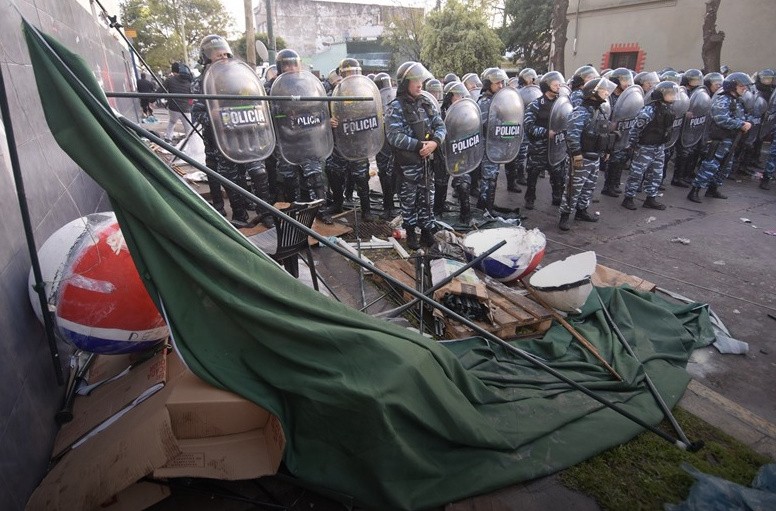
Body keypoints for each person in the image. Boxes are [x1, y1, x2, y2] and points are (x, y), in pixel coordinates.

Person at [193, 35, 273, 227]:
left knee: (258, 173)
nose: (222, 57)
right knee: (231, 178)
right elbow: (198, 114)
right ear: (207, 58)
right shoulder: (202, 82)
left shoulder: (240, 76)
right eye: (216, 54)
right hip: (221, 140)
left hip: (246, 134)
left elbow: (255, 101)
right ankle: (239, 215)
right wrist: (213, 117)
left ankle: (266, 213)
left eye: (225, 53)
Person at [386, 62, 446, 250]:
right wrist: (420, 145)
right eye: (414, 81)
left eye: (420, 80)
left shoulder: (426, 103)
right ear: (405, 84)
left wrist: (435, 142)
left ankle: (427, 233)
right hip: (407, 165)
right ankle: (410, 232)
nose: (419, 84)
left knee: (427, 199)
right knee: (409, 200)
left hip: (427, 164)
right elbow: (394, 137)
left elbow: (441, 126)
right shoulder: (396, 107)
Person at [558, 77, 617, 231]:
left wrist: (606, 150)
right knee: (573, 188)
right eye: (603, 90)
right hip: (581, 157)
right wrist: (576, 154)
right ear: (593, 93)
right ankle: (565, 215)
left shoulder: (601, 111)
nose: (606, 93)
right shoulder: (581, 112)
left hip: (594, 156)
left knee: (589, 187)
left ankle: (581, 211)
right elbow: (572, 135)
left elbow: (603, 132)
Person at [687, 72, 753, 203]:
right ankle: (694, 190)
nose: (744, 89)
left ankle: (712, 189)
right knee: (710, 166)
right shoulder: (723, 100)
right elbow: (721, 119)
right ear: (732, 86)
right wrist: (741, 124)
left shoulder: (737, 101)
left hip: (732, 140)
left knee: (725, 167)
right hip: (720, 140)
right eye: (741, 86)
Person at [325, 58, 375, 223]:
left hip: (357, 144)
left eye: (353, 73)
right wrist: (328, 121)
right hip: (338, 144)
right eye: (347, 73)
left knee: (361, 178)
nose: (350, 77)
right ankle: (338, 204)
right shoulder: (333, 94)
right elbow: (321, 115)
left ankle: (366, 210)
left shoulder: (365, 92)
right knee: (335, 176)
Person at [621, 81, 680, 211]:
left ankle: (650, 198)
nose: (673, 96)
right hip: (645, 147)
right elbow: (636, 129)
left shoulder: (668, 109)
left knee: (656, 174)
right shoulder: (648, 111)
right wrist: (632, 146)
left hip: (659, 147)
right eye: (670, 94)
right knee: (637, 173)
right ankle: (628, 198)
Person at [523, 71, 567, 210]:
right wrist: (545, 133)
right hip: (538, 148)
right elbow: (528, 126)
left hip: (556, 147)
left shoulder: (562, 103)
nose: (558, 86)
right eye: (555, 84)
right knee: (533, 175)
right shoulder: (536, 104)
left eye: (559, 84)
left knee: (557, 175)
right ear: (546, 86)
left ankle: (557, 197)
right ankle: (530, 199)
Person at [476, 67, 509, 215]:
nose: (501, 86)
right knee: (488, 177)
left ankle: (487, 206)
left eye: (502, 83)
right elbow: (486, 124)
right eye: (497, 83)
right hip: (487, 146)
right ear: (488, 84)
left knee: (493, 176)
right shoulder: (485, 102)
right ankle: (484, 208)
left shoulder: (498, 100)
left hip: (496, 146)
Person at [441, 81, 475, 223]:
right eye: (457, 95)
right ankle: (438, 211)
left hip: (460, 152)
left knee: (463, 184)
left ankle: (465, 216)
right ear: (450, 96)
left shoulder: (467, 112)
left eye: (462, 95)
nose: (461, 97)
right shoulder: (440, 112)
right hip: (443, 154)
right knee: (440, 185)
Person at [600, 67, 634, 198]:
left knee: (621, 159)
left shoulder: (627, 96)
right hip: (612, 133)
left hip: (624, 131)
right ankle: (608, 186)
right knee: (613, 160)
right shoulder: (609, 96)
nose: (627, 83)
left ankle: (615, 184)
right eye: (624, 80)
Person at [162, 62, 193, 144]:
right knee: (189, 129)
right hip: (186, 109)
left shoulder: (169, 80)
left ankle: (168, 139)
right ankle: (191, 142)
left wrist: (151, 100)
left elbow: (160, 90)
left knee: (172, 122)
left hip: (173, 107)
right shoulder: (189, 82)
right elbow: (192, 95)